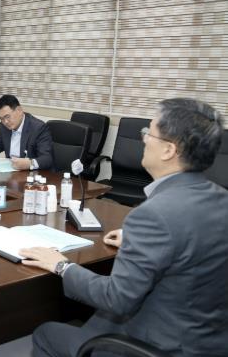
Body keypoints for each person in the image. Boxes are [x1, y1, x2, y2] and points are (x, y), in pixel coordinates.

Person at [20, 98, 228, 357]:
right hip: (210, 340)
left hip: (163, 345)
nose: (144, 139)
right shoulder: (221, 198)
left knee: (47, 333)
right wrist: (140, 239)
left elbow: (115, 298)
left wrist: (61, 265)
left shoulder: (153, 215)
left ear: (168, 150)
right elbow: (193, 241)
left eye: (149, 132)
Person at [0, 94, 53, 170]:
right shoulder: (4, 127)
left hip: (31, 173)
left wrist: (30, 163)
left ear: (19, 110)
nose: (5, 122)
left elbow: (47, 159)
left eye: (7, 116)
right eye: (1, 119)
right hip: (10, 171)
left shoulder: (38, 128)